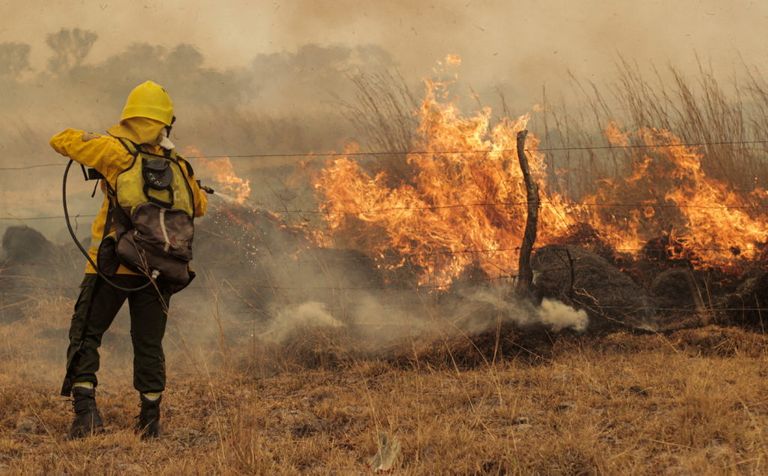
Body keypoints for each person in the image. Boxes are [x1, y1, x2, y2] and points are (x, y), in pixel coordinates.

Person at [50, 80, 208, 439]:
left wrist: (91, 142)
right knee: (149, 343)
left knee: (86, 333)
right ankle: (150, 420)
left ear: (129, 117)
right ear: (166, 121)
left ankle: (86, 415)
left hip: (111, 264)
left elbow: (60, 139)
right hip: (160, 270)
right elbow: (199, 206)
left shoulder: (114, 151)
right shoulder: (178, 164)